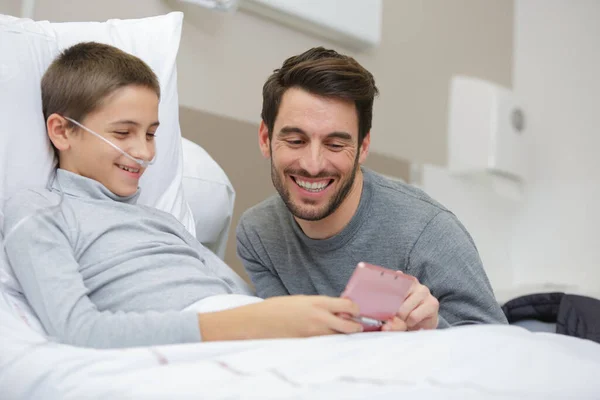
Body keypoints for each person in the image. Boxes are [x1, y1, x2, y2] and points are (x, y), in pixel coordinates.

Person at [2, 42, 371, 349]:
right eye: (123, 132)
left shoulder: (161, 220)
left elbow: (245, 299)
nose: (145, 153)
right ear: (62, 131)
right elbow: (77, 329)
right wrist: (241, 323)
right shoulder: (41, 210)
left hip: (248, 329)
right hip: (211, 337)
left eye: (150, 134)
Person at [236, 47, 508, 330]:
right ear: (265, 138)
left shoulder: (427, 231)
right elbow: (283, 339)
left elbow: (500, 349)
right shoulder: (258, 235)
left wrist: (432, 330)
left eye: (335, 145)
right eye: (295, 140)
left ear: (362, 148)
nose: (313, 165)